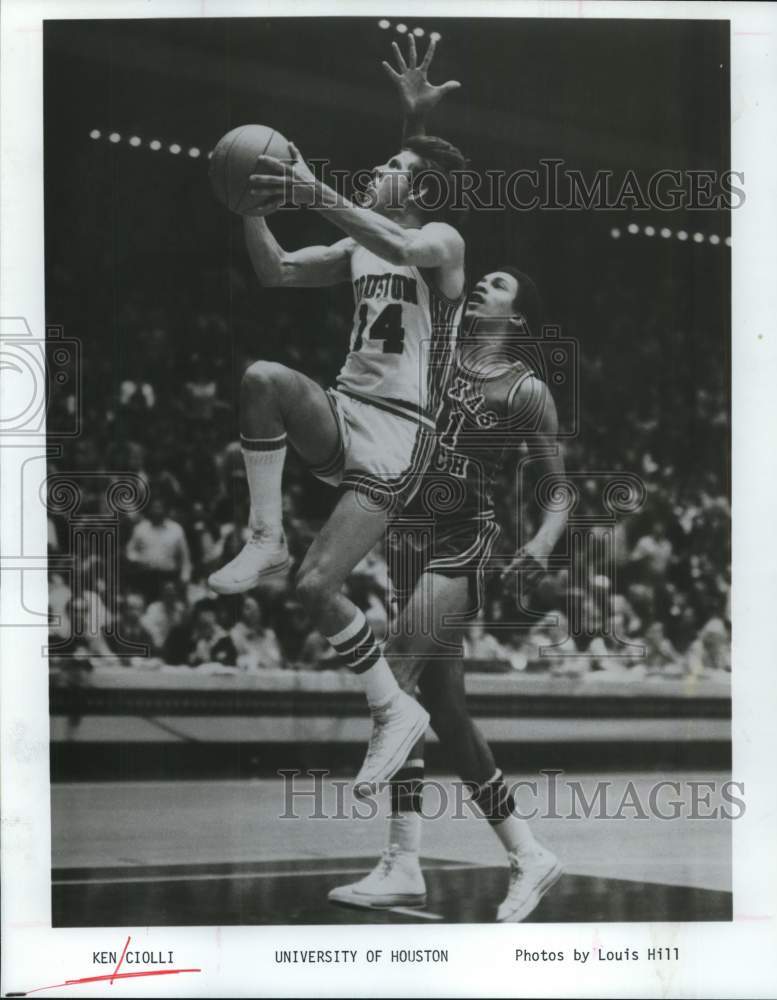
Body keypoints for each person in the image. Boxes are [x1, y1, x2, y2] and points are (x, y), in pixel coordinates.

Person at [327, 34, 568, 923]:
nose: (483, 285)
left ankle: (404, 857)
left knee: (393, 681)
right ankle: (523, 854)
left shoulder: (526, 388)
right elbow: (407, 211)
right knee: (443, 711)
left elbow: (560, 486)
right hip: (405, 519)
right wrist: (415, 126)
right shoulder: (440, 322)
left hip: (462, 536)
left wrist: (541, 543)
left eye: (499, 282)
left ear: (518, 312)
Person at [207, 54, 469, 788]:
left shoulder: (443, 242)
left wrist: (309, 186)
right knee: (262, 379)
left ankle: (391, 707)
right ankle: (264, 536)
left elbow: (407, 243)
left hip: (399, 433)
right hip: (345, 408)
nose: (376, 168)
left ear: (417, 188)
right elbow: (278, 271)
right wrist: (253, 207)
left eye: (392, 163)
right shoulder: (359, 245)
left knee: (315, 591)